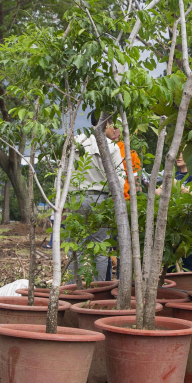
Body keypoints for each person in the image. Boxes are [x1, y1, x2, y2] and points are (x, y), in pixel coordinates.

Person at [71, 113, 125, 281]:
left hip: (76, 199)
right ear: (107, 123)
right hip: (100, 199)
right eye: (113, 126)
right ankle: (99, 287)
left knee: (77, 245)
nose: (114, 130)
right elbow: (119, 180)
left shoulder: (75, 141)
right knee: (101, 248)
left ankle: (75, 287)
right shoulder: (111, 146)